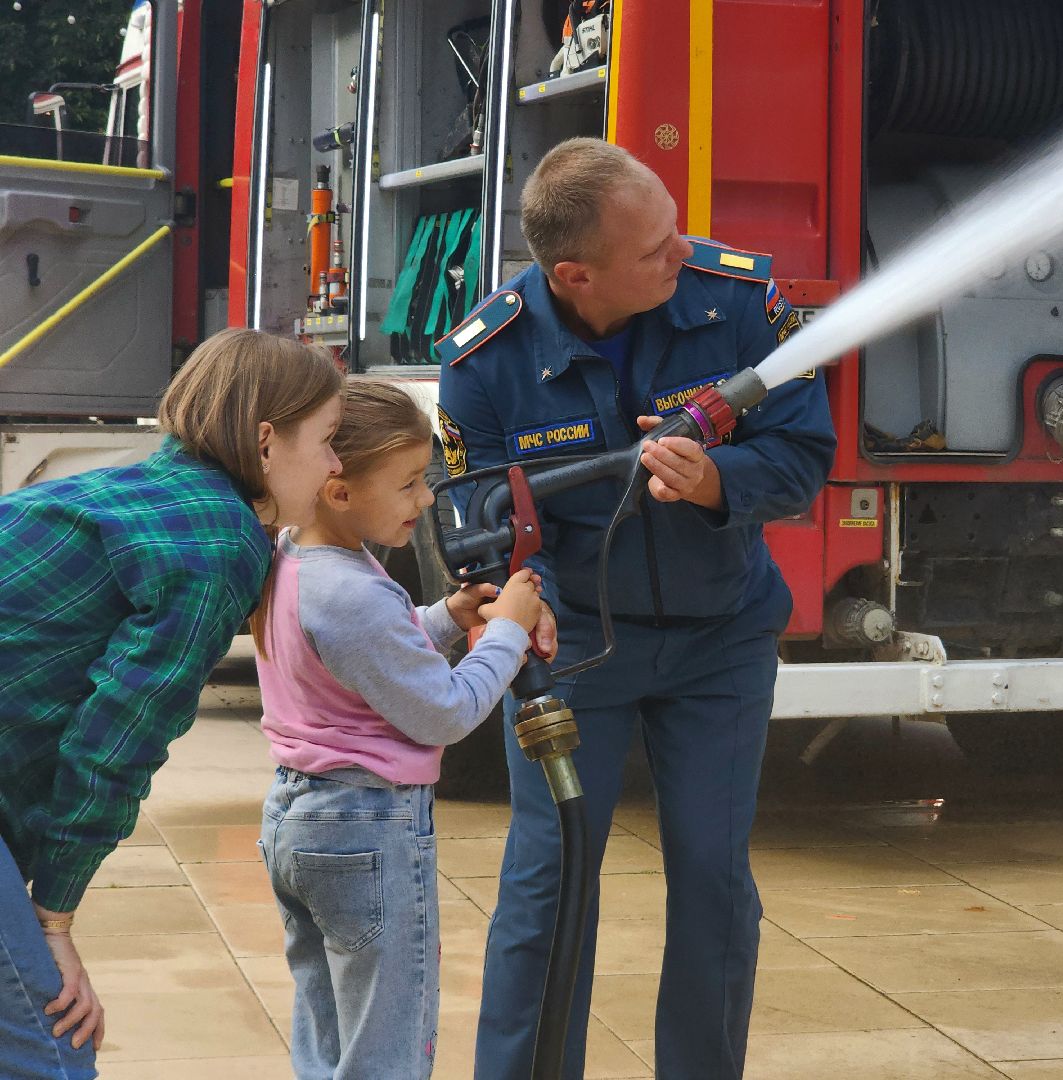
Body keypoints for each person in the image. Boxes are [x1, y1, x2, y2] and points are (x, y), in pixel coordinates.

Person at [438, 137, 836, 1079]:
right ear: (576, 273)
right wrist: (504, 607)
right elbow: (476, 522)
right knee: (551, 880)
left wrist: (712, 481)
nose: (683, 251)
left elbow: (804, 457)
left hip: (722, 642)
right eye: (654, 247)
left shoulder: (740, 303)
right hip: (573, 648)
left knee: (712, 880)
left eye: (676, 225)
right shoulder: (484, 359)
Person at [0, 328, 345, 1080]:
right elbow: (113, 746)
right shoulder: (216, 544)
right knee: (49, 1054)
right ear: (265, 442)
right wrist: (53, 917)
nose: (335, 465)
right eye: (326, 441)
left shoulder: (142, 491)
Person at [253, 379, 545, 1080]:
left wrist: (445, 615)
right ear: (340, 490)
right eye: (410, 483)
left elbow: (368, 653)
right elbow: (444, 710)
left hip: (299, 818)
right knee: (385, 1052)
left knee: (329, 1039)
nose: (425, 499)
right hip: (367, 827)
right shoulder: (352, 591)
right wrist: (507, 633)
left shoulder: (297, 557)